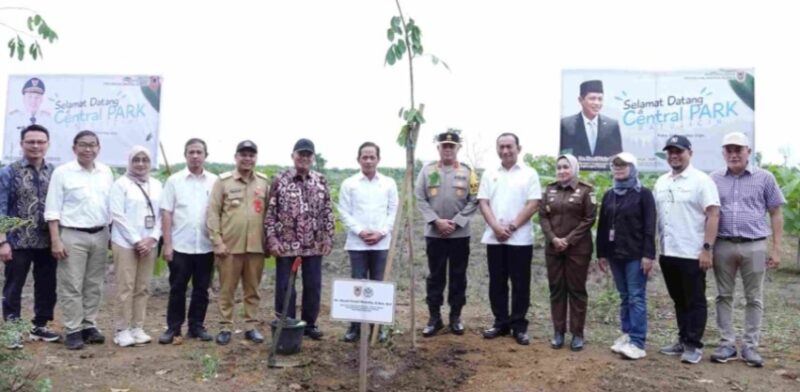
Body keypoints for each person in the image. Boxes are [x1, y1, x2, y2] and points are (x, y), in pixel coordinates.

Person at [709, 132, 785, 367]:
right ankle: (727, 344)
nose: (733, 154)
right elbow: (709, 213)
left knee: (754, 297)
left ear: (748, 152)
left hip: (755, 245)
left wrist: (776, 249)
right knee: (723, 295)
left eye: (738, 149)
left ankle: (750, 346)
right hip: (723, 245)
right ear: (723, 153)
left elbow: (775, 212)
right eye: (728, 150)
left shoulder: (765, 178)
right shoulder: (714, 179)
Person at [44, 130, 114, 350]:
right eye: (83, 145)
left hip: (101, 233)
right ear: (74, 148)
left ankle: (88, 325)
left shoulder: (106, 172)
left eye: (93, 145)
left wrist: (112, 235)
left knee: (94, 284)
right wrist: (56, 240)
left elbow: (110, 206)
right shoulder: (63, 173)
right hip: (72, 234)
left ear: (98, 148)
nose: (88, 149)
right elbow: (52, 209)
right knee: (71, 284)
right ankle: (73, 329)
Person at [653, 134, 720, 364]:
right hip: (668, 252)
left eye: (678, 151)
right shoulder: (661, 182)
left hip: (692, 253)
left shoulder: (702, 180)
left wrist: (707, 249)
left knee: (695, 300)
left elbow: (713, 214)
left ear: (690, 153)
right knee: (679, 299)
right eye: (670, 152)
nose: (674, 156)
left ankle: (693, 344)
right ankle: (682, 339)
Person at [265, 138, 335, 341]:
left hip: (313, 244)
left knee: (312, 286)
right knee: (286, 287)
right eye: (300, 154)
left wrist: (328, 237)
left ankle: (309, 325)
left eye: (308, 155)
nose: (304, 158)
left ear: (313, 158)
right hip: (286, 245)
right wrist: (272, 240)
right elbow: (271, 212)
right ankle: (286, 324)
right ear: (293, 156)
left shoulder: (320, 180)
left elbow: (328, 212)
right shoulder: (280, 179)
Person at [414, 130, 479, 338]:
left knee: (458, 277)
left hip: (459, 235)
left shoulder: (468, 172)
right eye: (444, 146)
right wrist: (436, 221)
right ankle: (434, 318)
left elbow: (474, 199)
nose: (448, 149)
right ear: (438, 148)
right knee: (435, 277)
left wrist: (456, 222)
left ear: (458, 148)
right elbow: (420, 198)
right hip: (435, 234)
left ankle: (455, 317)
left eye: (452, 146)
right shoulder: (427, 170)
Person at [478, 132, 541, 346]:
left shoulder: (529, 174)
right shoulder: (489, 173)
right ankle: (500, 322)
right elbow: (483, 203)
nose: (505, 151)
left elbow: (533, 204)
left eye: (509, 147)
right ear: (497, 149)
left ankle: (519, 326)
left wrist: (512, 226)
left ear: (518, 148)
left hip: (520, 239)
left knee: (520, 283)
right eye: (501, 147)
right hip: (495, 238)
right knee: (497, 282)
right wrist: (496, 227)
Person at [0, 124, 60, 349]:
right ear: (22, 144)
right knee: (13, 286)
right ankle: (13, 330)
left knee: (46, 284)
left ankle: (40, 325)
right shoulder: (9, 172)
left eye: (40, 142)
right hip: (17, 242)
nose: (36, 146)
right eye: (31, 142)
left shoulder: (54, 172)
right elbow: (1, 207)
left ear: (48, 144)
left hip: (47, 241)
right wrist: (2, 241)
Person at [207, 140, 269, 346]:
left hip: (256, 247)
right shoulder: (223, 181)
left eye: (251, 155)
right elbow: (213, 213)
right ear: (236, 157)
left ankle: (251, 326)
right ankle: (225, 326)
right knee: (227, 289)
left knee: (253, 290)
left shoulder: (263, 182)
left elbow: (269, 214)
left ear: (255, 158)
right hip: (229, 247)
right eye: (243, 154)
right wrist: (217, 241)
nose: (247, 158)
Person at [596, 152, 656, 360]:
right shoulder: (609, 194)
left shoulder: (643, 194)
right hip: (615, 254)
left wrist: (648, 254)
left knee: (636, 296)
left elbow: (650, 226)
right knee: (624, 297)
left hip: (636, 254)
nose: (619, 168)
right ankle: (627, 334)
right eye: (615, 165)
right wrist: (601, 253)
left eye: (623, 165)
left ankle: (638, 342)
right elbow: (603, 225)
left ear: (633, 168)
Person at [158, 138, 217, 344]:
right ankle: (173, 328)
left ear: (205, 156)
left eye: (199, 152)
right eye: (191, 152)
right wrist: (167, 244)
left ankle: (196, 326)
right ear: (185, 155)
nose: (195, 156)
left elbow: (218, 212)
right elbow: (166, 213)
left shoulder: (214, 181)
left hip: (206, 246)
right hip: (180, 245)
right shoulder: (174, 181)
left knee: (202, 289)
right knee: (177, 288)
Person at [338, 142, 398, 343]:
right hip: (357, 243)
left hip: (381, 243)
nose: (369, 160)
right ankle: (355, 326)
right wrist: (360, 231)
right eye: (365, 157)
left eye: (372, 157)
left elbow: (393, 211)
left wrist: (381, 232)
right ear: (358, 159)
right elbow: (344, 212)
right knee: (358, 283)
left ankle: (376, 328)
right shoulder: (350, 184)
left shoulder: (388, 183)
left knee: (378, 285)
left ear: (378, 159)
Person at [539, 154, 596, 352]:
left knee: (576, 290)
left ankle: (577, 334)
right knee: (556, 288)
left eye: (566, 167)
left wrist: (568, 240)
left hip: (578, 250)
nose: (562, 171)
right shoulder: (549, 189)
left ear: (574, 169)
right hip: (553, 248)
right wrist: (554, 239)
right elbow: (543, 217)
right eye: (559, 167)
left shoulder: (586, 191)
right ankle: (558, 332)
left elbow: (589, 219)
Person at [109, 146, 162, 347]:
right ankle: (122, 329)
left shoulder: (157, 185)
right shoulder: (120, 184)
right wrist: (136, 240)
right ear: (129, 162)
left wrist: (152, 238)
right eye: (136, 159)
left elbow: (161, 215)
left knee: (143, 287)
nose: (140, 163)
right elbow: (118, 215)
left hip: (149, 243)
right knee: (126, 286)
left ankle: (137, 327)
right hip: (125, 243)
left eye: (145, 160)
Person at [560, 80, 622, 159]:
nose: (597, 103)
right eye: (592, 98)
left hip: (604, 171)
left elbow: (617, 158)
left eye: (600, 99)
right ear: (580, 100)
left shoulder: (612, 126)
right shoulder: (566, 125)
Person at [3, 78, 55, 161]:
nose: (33, 101)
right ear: (24, 98)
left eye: (37, 97)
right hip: (16, 161)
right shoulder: (13, 118)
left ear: (42, 99)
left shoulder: (48, 119)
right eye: (30, 97)